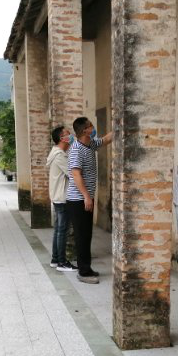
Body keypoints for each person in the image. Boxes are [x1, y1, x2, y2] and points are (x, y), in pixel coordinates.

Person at [66, 117, 113, 283]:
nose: (93, 128)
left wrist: (120, 126)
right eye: (90, 126)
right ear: (85, 130)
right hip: (78, 199)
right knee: (82, 235)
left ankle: (87, 267)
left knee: (87, 234)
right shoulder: (76, 149)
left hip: (85, 198)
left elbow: (106, 139)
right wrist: (86, 196)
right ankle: (83, 272)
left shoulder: (90, 144)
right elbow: (76, 174)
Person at [47, 125, 76, 272]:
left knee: (59, 229)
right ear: (61, 138)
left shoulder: (57, 153)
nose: (70, 135)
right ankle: (62, 262)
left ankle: (55, 259)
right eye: (67, 133)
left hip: (58, 196)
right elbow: (73, 173)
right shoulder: (59, 156)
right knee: (62, 231)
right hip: (62, 197)